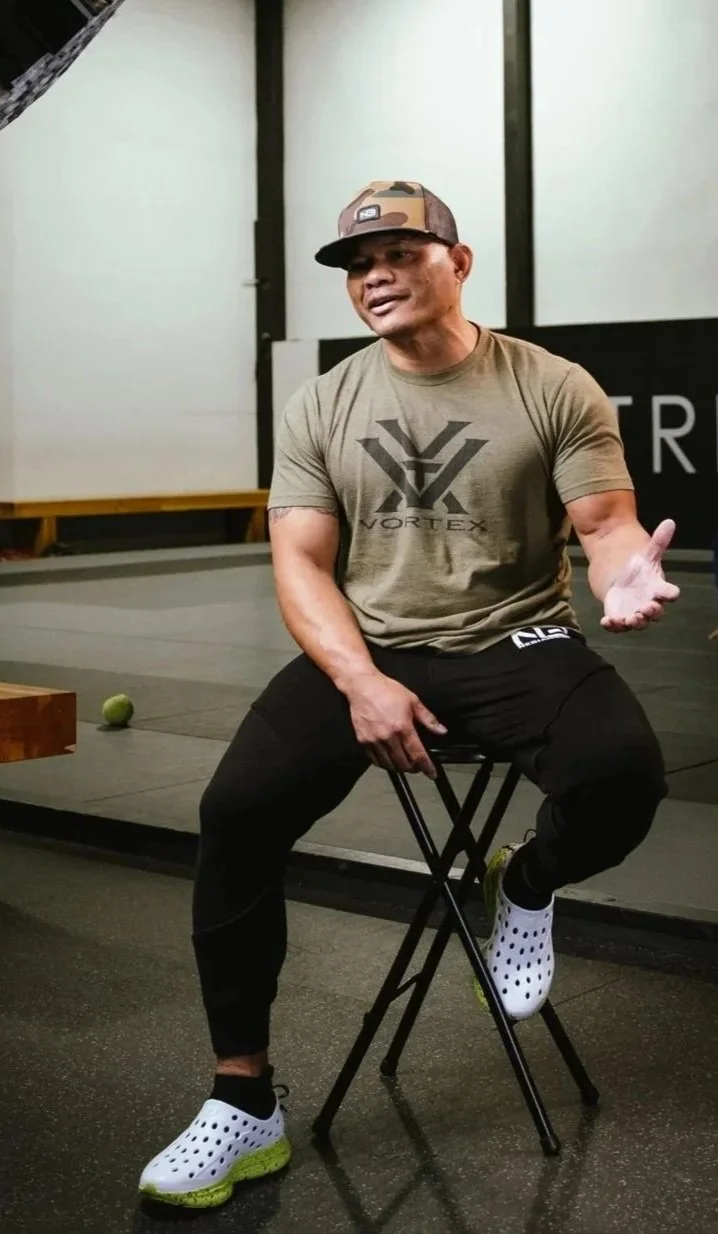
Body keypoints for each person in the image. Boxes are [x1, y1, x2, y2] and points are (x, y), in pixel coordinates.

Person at [138, 180, 679, 1209]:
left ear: (459, 262)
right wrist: (361, 682)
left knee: (623, 774)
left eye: (399, 253)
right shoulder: (323, 403)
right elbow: (300, 565)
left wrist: (624, 577)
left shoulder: (553, 384)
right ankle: (242, 1102)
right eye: (357, 264)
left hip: (514, 639)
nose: (375, 276)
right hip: (373, 643)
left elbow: (607, 526)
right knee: (235, 811)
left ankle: (526, 882)